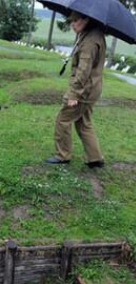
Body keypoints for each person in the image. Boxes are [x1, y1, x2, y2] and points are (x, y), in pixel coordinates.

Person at [45, 11, 106, 168]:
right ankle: (95, 158)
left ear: (86, 20)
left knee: (63, 119)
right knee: (83, 122)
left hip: (84, 90)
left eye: (76, 20)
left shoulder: (90, 41)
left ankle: (62, 155)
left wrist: (74, 94)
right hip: (92, 88)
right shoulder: (91, 34)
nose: (72, 23)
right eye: (71, 21)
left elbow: (83, 71)